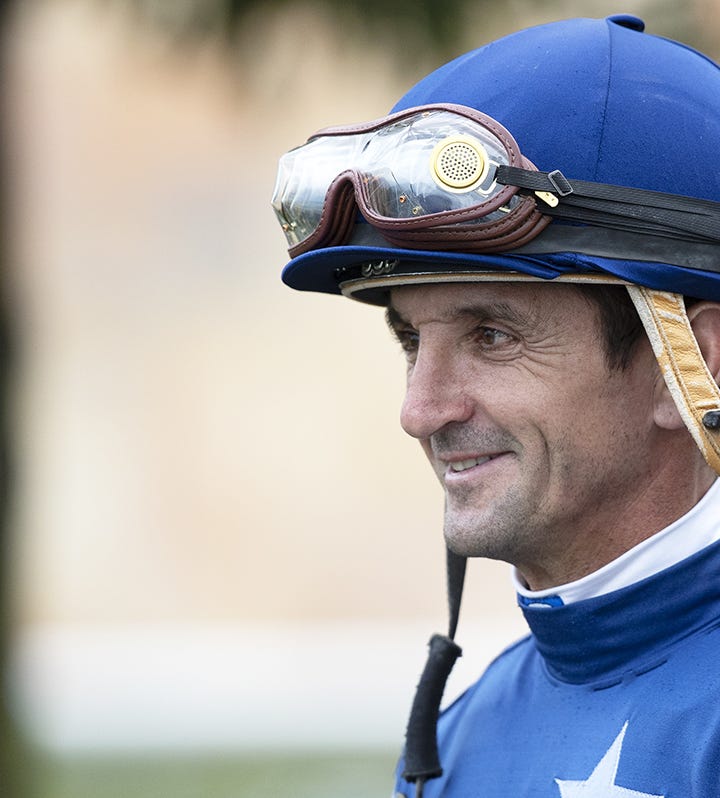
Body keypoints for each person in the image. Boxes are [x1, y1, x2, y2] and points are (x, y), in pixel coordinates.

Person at [272, 14, 720, 798]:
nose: (421, 412)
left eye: (492, 336)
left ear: (692, 362)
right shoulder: (455, 743)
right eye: (411, 340)